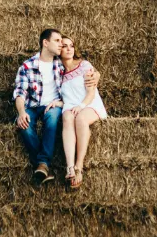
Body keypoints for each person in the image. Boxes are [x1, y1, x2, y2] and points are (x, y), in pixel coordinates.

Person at [12, 28, 99, 185]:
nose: (61, 45)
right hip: (32, 106)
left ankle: (43, 164)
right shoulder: (27, 66)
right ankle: (43, 164)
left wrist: (96, 75)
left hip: (53, 105)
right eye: (57, 41)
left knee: (52, 119)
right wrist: (21, 112)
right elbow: (19, 93)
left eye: (62, 42)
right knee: (24, 125)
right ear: (46, 43)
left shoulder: (60, 65)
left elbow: (81, 69)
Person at [59, 36, 107, 190]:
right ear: (58, 50)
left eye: (71, 46)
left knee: (80, 119)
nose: (69, 49)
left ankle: (79, 166)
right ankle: (70, 167)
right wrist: (56, 103)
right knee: (67, 117)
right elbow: (64, 96)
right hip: (70, 106)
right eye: (65, 46)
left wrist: (81, 106)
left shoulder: (84, 66)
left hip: (89, 103)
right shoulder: (57, 72)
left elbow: (91, 93)